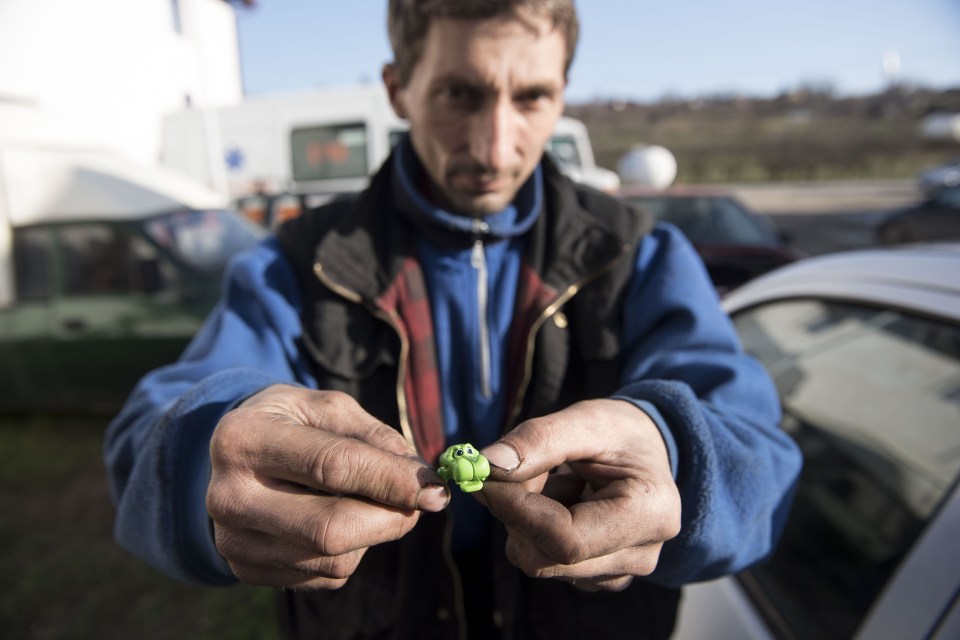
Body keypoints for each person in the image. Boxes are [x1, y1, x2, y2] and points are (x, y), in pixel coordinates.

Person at [104, 1, 803, 638]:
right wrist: (207, 459)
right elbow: (143, 441)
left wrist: (676, 454)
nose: (496, 148)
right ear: (398, 87)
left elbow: (760, 456)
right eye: (459, 93)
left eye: (532, 98)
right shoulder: (294, 265)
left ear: (564, 90)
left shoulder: (641, 256)